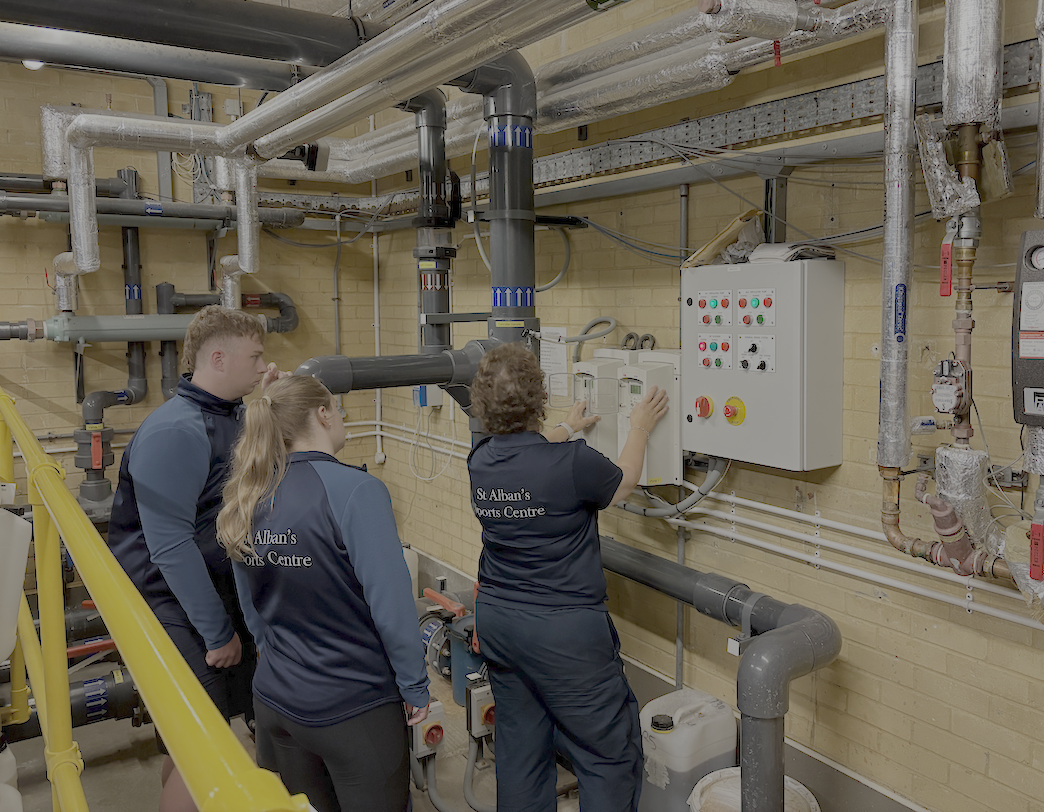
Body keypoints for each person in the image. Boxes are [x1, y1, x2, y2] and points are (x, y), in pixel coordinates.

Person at [467, 344, 669, 812]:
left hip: (499, 625)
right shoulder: (576, 463)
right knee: (607, 754)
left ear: (483, 406)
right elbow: (623, 482)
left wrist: (567, 427)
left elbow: (529, 459)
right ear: (538, 397)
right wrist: (639, 426)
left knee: (520, 753)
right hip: (564, 635)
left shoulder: (480, 461)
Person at [218, 375, 430, 812]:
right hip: (354, 708)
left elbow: (252, 611)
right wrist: (414, 685)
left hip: (277, 703)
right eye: (338, 407)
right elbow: (392, 609)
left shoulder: (248, 495)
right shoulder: (357, 491)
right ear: (322, 413)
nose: (343, 415)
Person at [107, 305, 286, 812]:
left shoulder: (225, 416)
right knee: (205, 746)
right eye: (255, 356)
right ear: (219, 357)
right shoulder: (176, 430)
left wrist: (273, 403)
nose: (261, 365)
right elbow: (170, 547)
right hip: (171, 605)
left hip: (212, 591)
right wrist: (217, 632)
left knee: (192, 742)